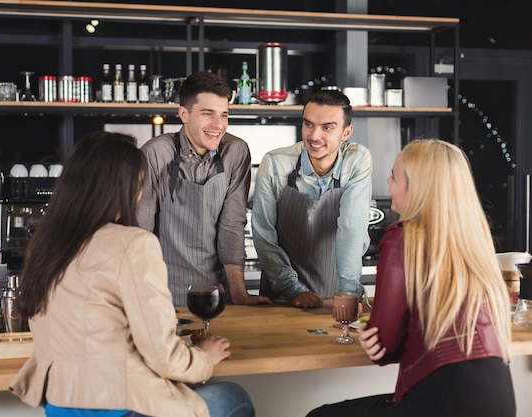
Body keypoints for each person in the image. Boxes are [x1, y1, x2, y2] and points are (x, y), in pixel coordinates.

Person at [9, 131, 256, 417]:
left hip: (59, 406)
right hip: (119, 407)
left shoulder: (45, 244)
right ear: (119, 189)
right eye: (139, 185)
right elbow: (163, 357)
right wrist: (204, 358)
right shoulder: (133, 243)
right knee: (235, 397)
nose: (140, 195)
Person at [306, 139, 516, 417]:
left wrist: (377, 343)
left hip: (446, 399)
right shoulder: (472, 240)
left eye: (394, 176)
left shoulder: (401, 238)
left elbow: (386, 341)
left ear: (416, 188)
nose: (387, 181)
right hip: (497, 399)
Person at [138, 71, 271, 306]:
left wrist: (239, 294)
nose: (218, 125)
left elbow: (232, 226)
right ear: (184, 114)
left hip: (218, 294)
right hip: (163, 294)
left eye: (224, 115)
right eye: (208, 114)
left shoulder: (236, 152)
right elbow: (141, 232)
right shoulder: (156, 153)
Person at [252, 89, 372, 309]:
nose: (315, 136)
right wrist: (293, 290)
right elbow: (264, 235)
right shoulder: (276, 164)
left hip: (336, 297)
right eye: (308, 125)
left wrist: (347, 292)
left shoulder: (356, 160)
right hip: (282, 298)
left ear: (346, 132)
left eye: (327, 128)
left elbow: (351, 226)